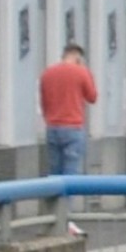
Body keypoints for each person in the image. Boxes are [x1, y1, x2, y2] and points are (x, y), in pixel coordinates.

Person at [40, 43, 97, 175]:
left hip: (52, 126)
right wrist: (86, 73)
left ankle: (54, 194)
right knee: (71, 169)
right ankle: (68, 196)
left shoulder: (47, 73)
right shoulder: (82, 72)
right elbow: (92, 97)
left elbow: (43, 101)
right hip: (73, 127)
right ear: (78, 57)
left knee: (54, 169)